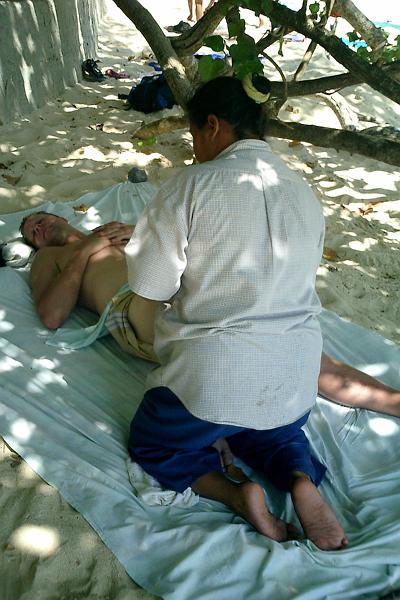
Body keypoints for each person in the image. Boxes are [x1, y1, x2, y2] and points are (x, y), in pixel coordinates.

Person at [124, 74, 349, 550]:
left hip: (212, 379)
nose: (194, 149)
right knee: (268, 430)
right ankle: (299, 478)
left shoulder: (190, 186)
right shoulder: (303, 193)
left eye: (193, 137)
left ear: (211, 125)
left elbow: (150, 286)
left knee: (155, 442)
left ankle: (232, 492)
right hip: (294, 380)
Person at [20, 209, 400, 419]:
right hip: (136, 302)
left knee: (292, 346)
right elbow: (52, 314)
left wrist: (138, 232)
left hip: (185, 281)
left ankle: (392, 401)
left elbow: (178, 247)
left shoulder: (112, 228)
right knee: (227, 330)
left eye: (40, 216)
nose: (37, 225)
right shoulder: (49, 259)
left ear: (64, 215)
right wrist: (86, 249)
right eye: (30, 230)